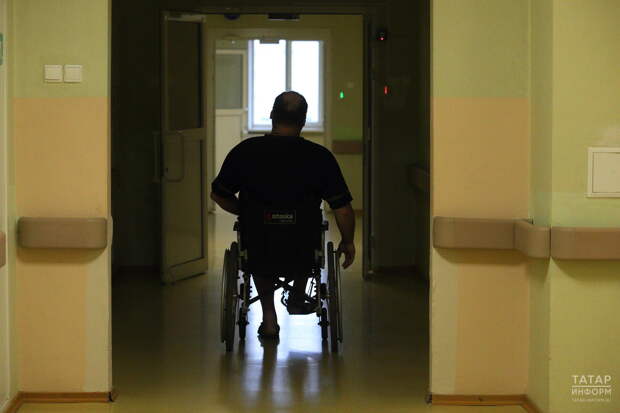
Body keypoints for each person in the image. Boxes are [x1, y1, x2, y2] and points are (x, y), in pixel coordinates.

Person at [210, 91, 355, 338]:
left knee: (259, 245)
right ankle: (297, 295)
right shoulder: (320, 157)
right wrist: (348, 241)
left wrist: (246, 212)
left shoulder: (246, 152)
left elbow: (219, 194)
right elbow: (342, 208)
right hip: (302, 246)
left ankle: (269, 318)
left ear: (272, 115)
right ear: (303, 120)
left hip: (259, 243)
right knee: (305, 234)